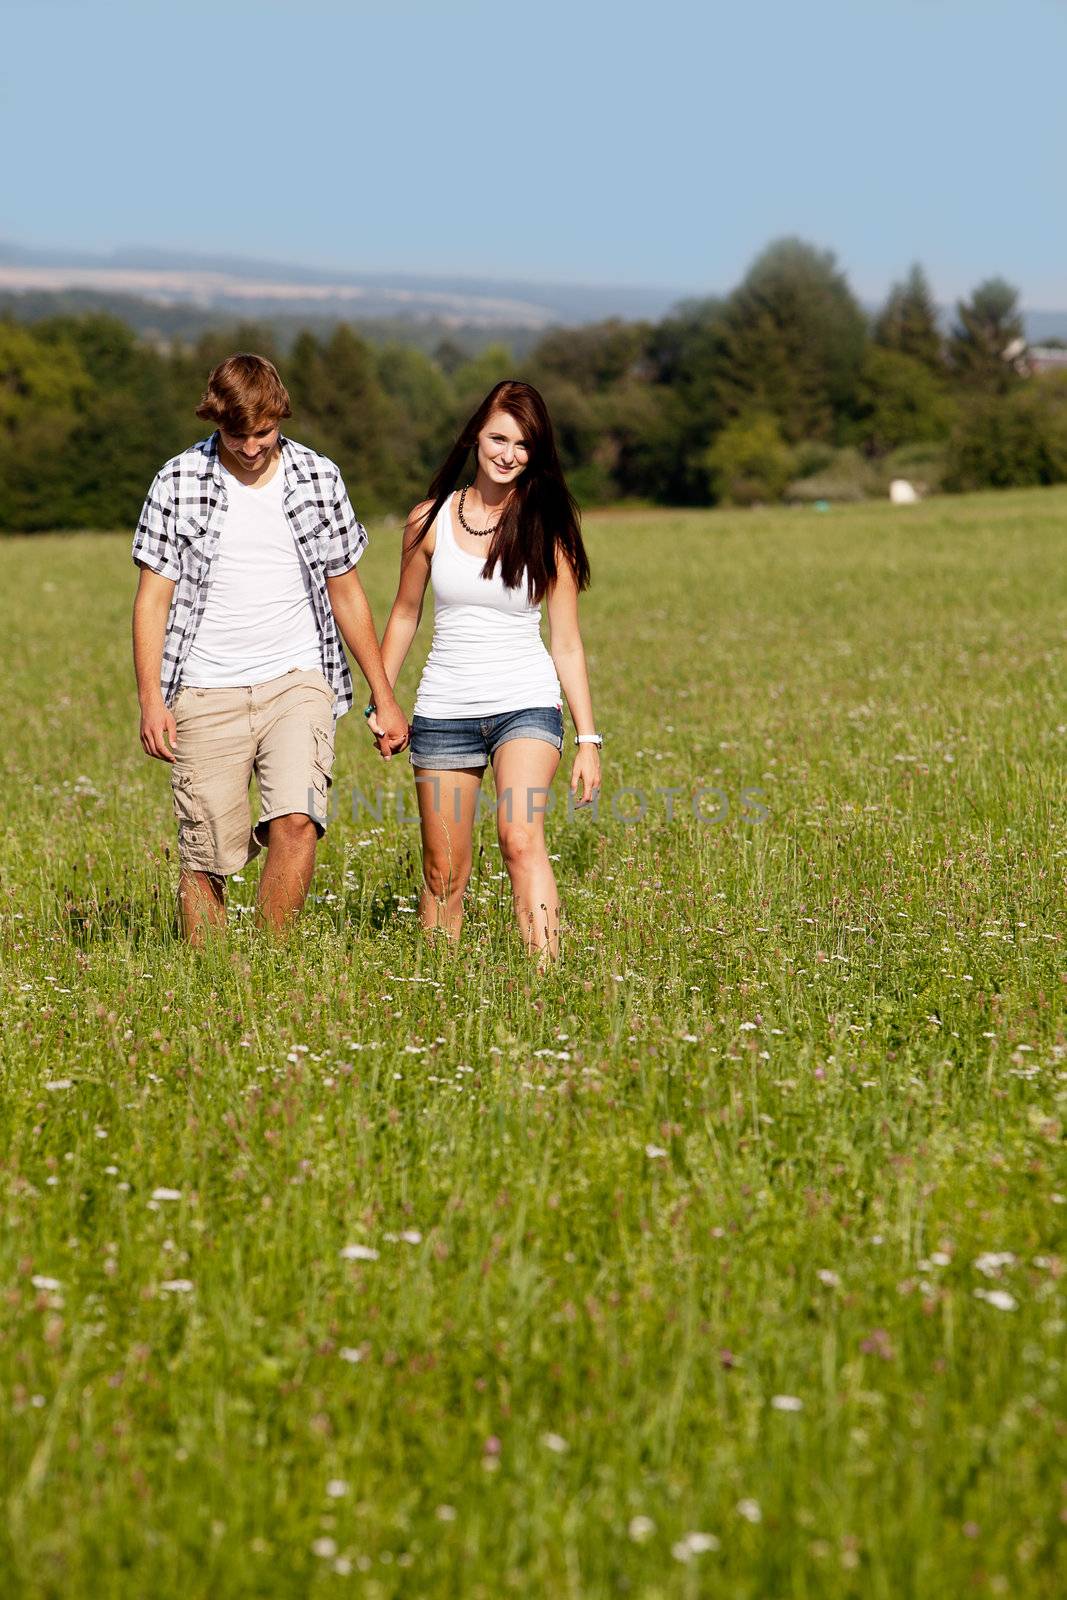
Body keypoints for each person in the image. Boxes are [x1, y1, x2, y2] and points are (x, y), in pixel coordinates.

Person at [131, 352, 407, 943]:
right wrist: (151, 701)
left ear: (279, 416)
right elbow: (152, 599)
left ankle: (270, 959)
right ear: (214, 420)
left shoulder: (318, 477)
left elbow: (347, 591)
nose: (252, 447)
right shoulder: (176, 481)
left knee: (299, 820)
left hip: (299, 679)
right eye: (237, 435)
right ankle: (212, 976)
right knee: (208, 851)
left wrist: (384, 696)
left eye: (263, 433)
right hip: (204, 685)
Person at [375, 379, 601, 962]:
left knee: (520, 837)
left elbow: (568, 642)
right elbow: (404, 614)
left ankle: (548, 981)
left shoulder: (547, 528)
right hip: (444, 710)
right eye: (499, 437)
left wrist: (587, 738)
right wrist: (383, 697)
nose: (508, 453)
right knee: (443, 871)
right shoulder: (427, 521)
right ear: (477, 434)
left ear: (537, 454)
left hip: (525, 704)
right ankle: (435, 987)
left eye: (523, 445)